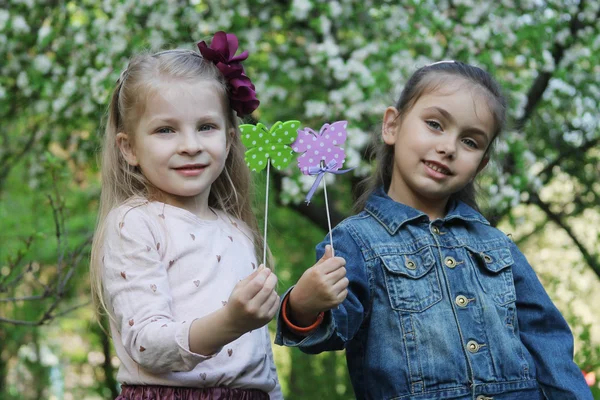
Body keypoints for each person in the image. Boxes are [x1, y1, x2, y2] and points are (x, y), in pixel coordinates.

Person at [275, 61, 593, 400]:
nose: (449, 147)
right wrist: (303, 305)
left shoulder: (497, 245)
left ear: (481, 164)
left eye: (470, 142)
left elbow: (548, 340)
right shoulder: (356, 241)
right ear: (392, 126)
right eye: (434, 124)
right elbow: (333, 330)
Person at [90, 31, 283, 399]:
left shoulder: (238, 231)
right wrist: (230, 322)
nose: (191, 146)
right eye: (166, 130)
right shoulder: (136, 223)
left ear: (229, 139)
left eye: (206, 127)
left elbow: (260, 359)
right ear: (129, 147)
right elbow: (146, 344)